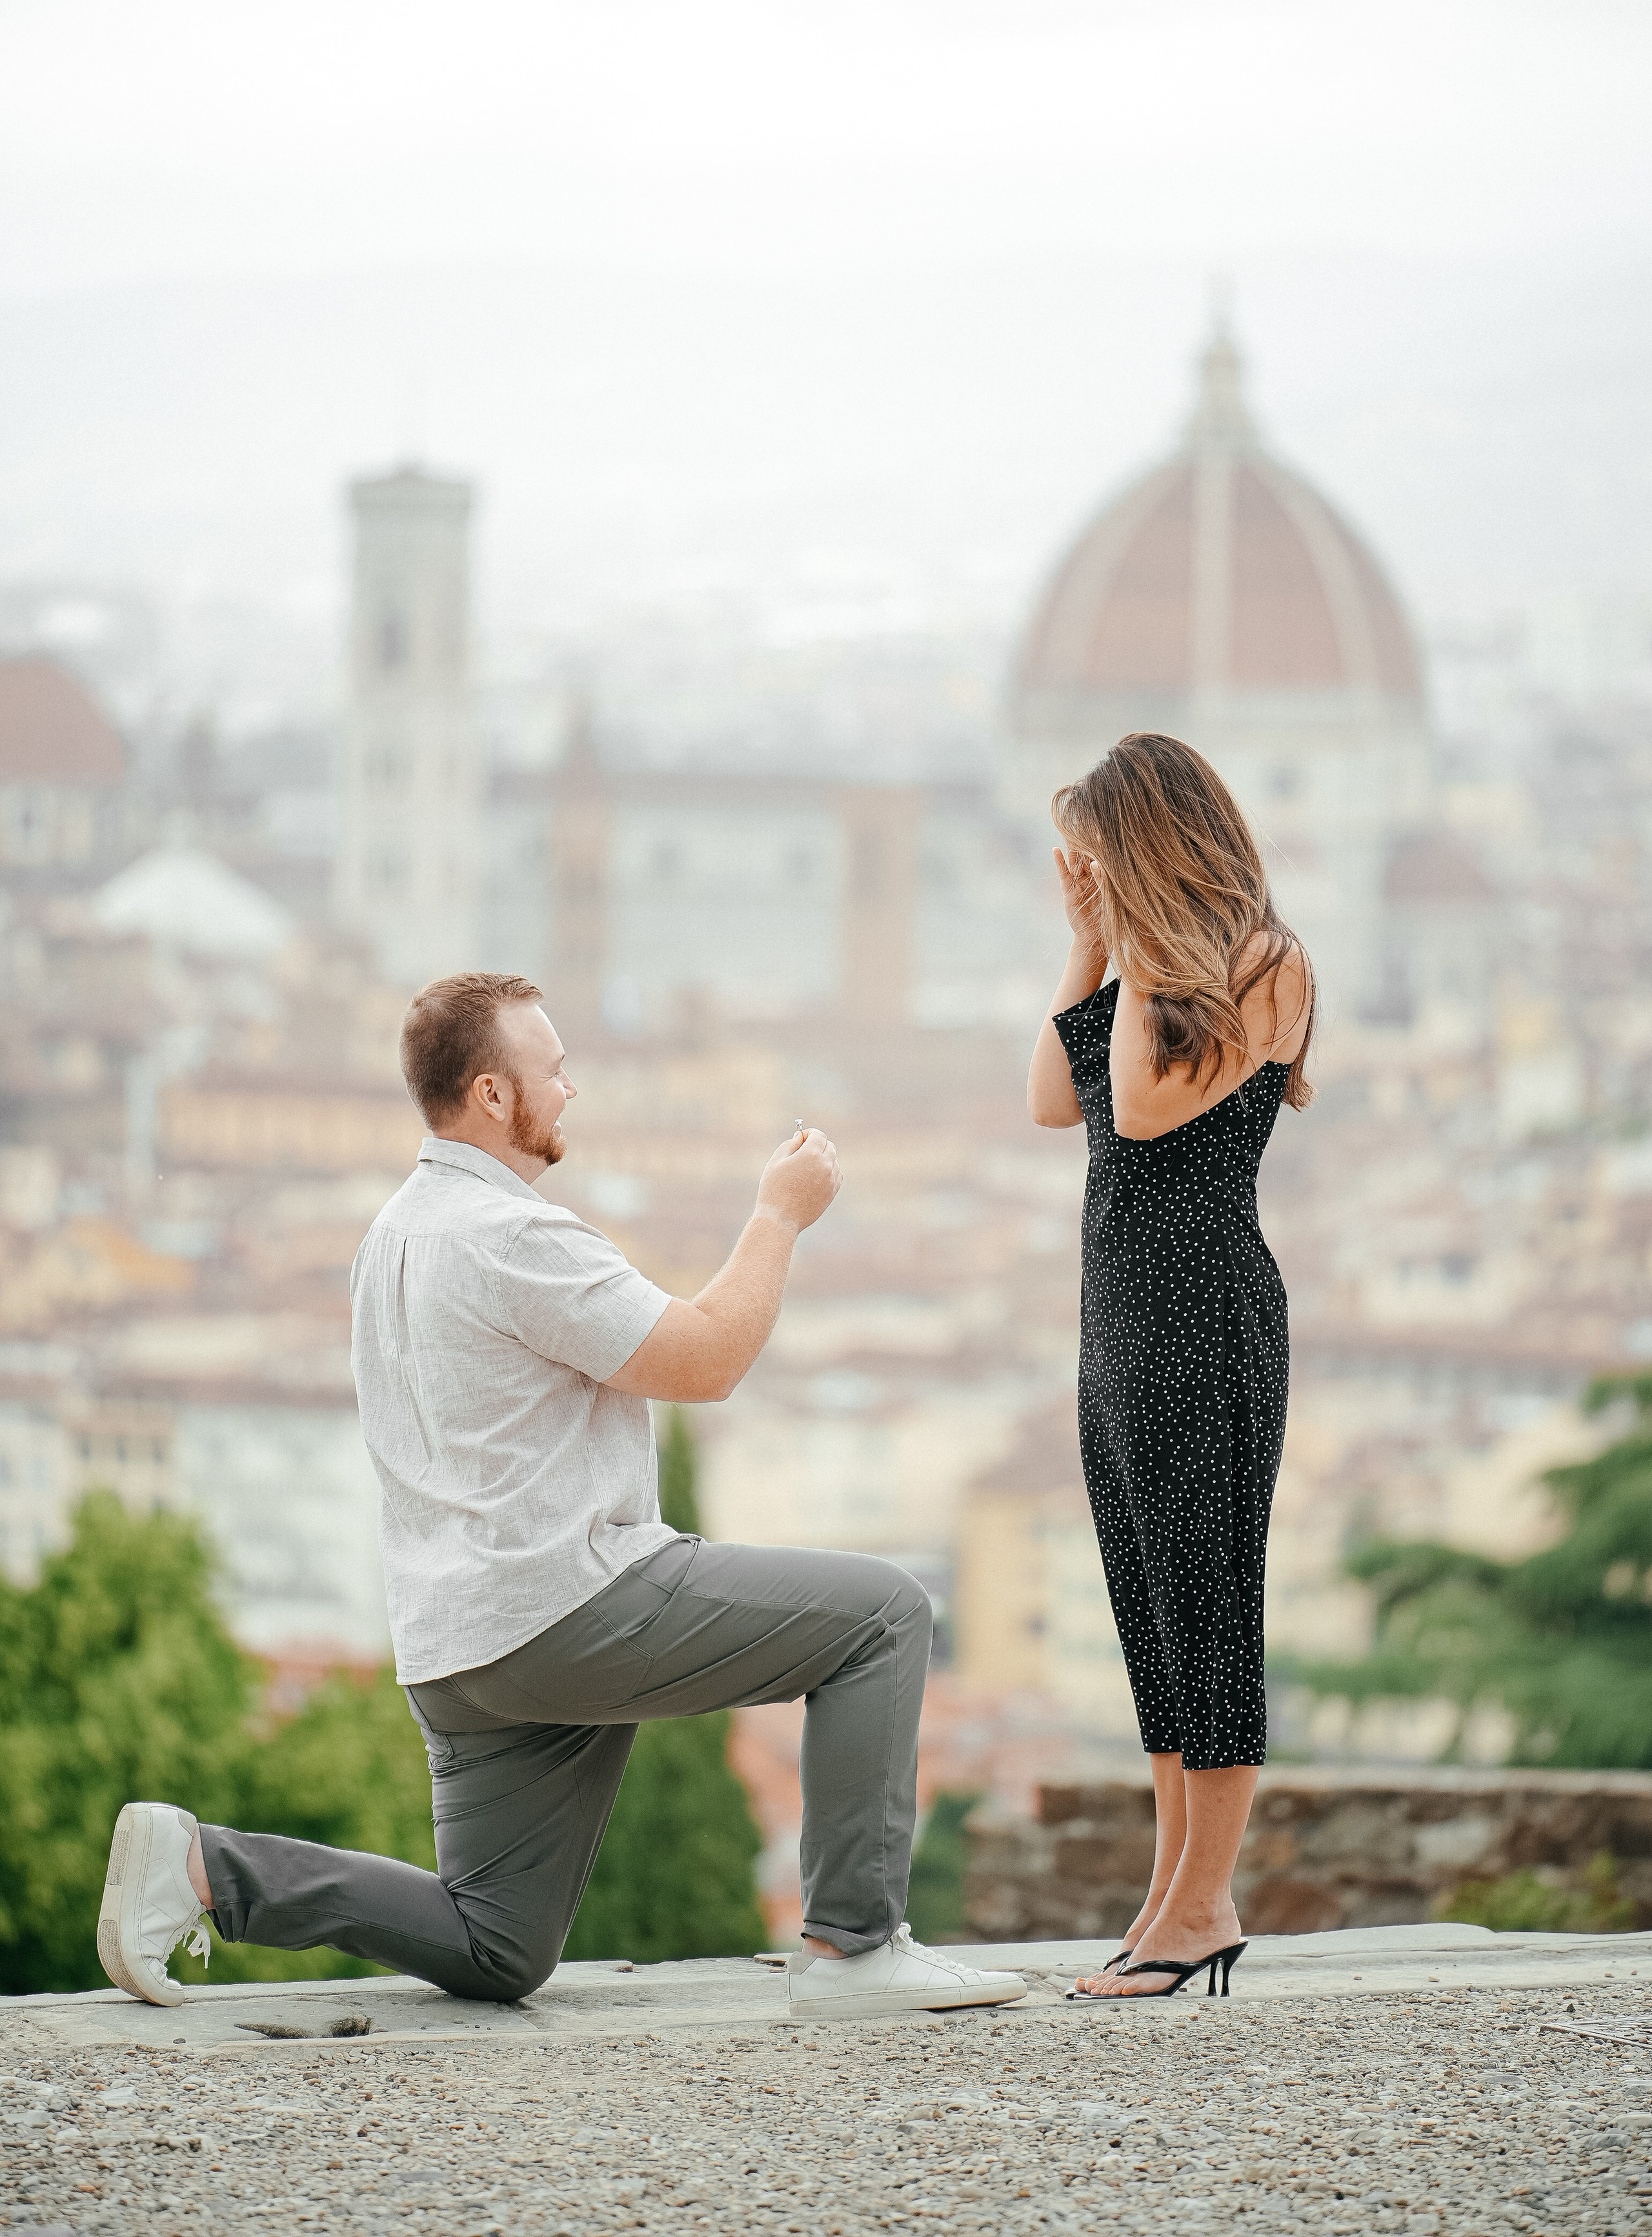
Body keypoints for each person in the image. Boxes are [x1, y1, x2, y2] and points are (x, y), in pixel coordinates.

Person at [99, 972, 1025, 2023]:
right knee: (884, 1616)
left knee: (496, 1947)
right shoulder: (512, 1236)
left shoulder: (390, 1236)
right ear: (494, 1095)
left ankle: (205, 1869)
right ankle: (854, 1948)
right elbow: (707, 1359)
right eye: (556, 1070)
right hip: (568, 1606)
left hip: (458, 1650)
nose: (572, 1089)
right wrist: (779, 1216)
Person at [1026, 734, 1314, 2001]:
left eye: (1096, 853)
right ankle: (1171, 1898)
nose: (1082, 871)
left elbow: (1140, 1109)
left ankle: (1202, 1908)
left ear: (1144, 844)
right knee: (1150, 1618)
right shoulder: (1145, 974)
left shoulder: (1263, 964)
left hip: (1203, 1317)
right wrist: (1087, 946)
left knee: (1209, 1611)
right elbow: (1055, 1098)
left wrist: (1135, 940)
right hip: (1115, 1323)